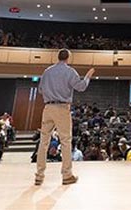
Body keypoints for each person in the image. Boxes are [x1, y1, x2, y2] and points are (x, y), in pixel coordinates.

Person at [35, 48, 95, 185]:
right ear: (68, 57)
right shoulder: (70, 71)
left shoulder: (47, 71)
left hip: (48, 107)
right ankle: (67, 175)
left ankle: (39, 175)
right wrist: (87, 77)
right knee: (66, 141)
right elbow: (80, 87)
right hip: (62, 108)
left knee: (43, 142)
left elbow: (40, 90)